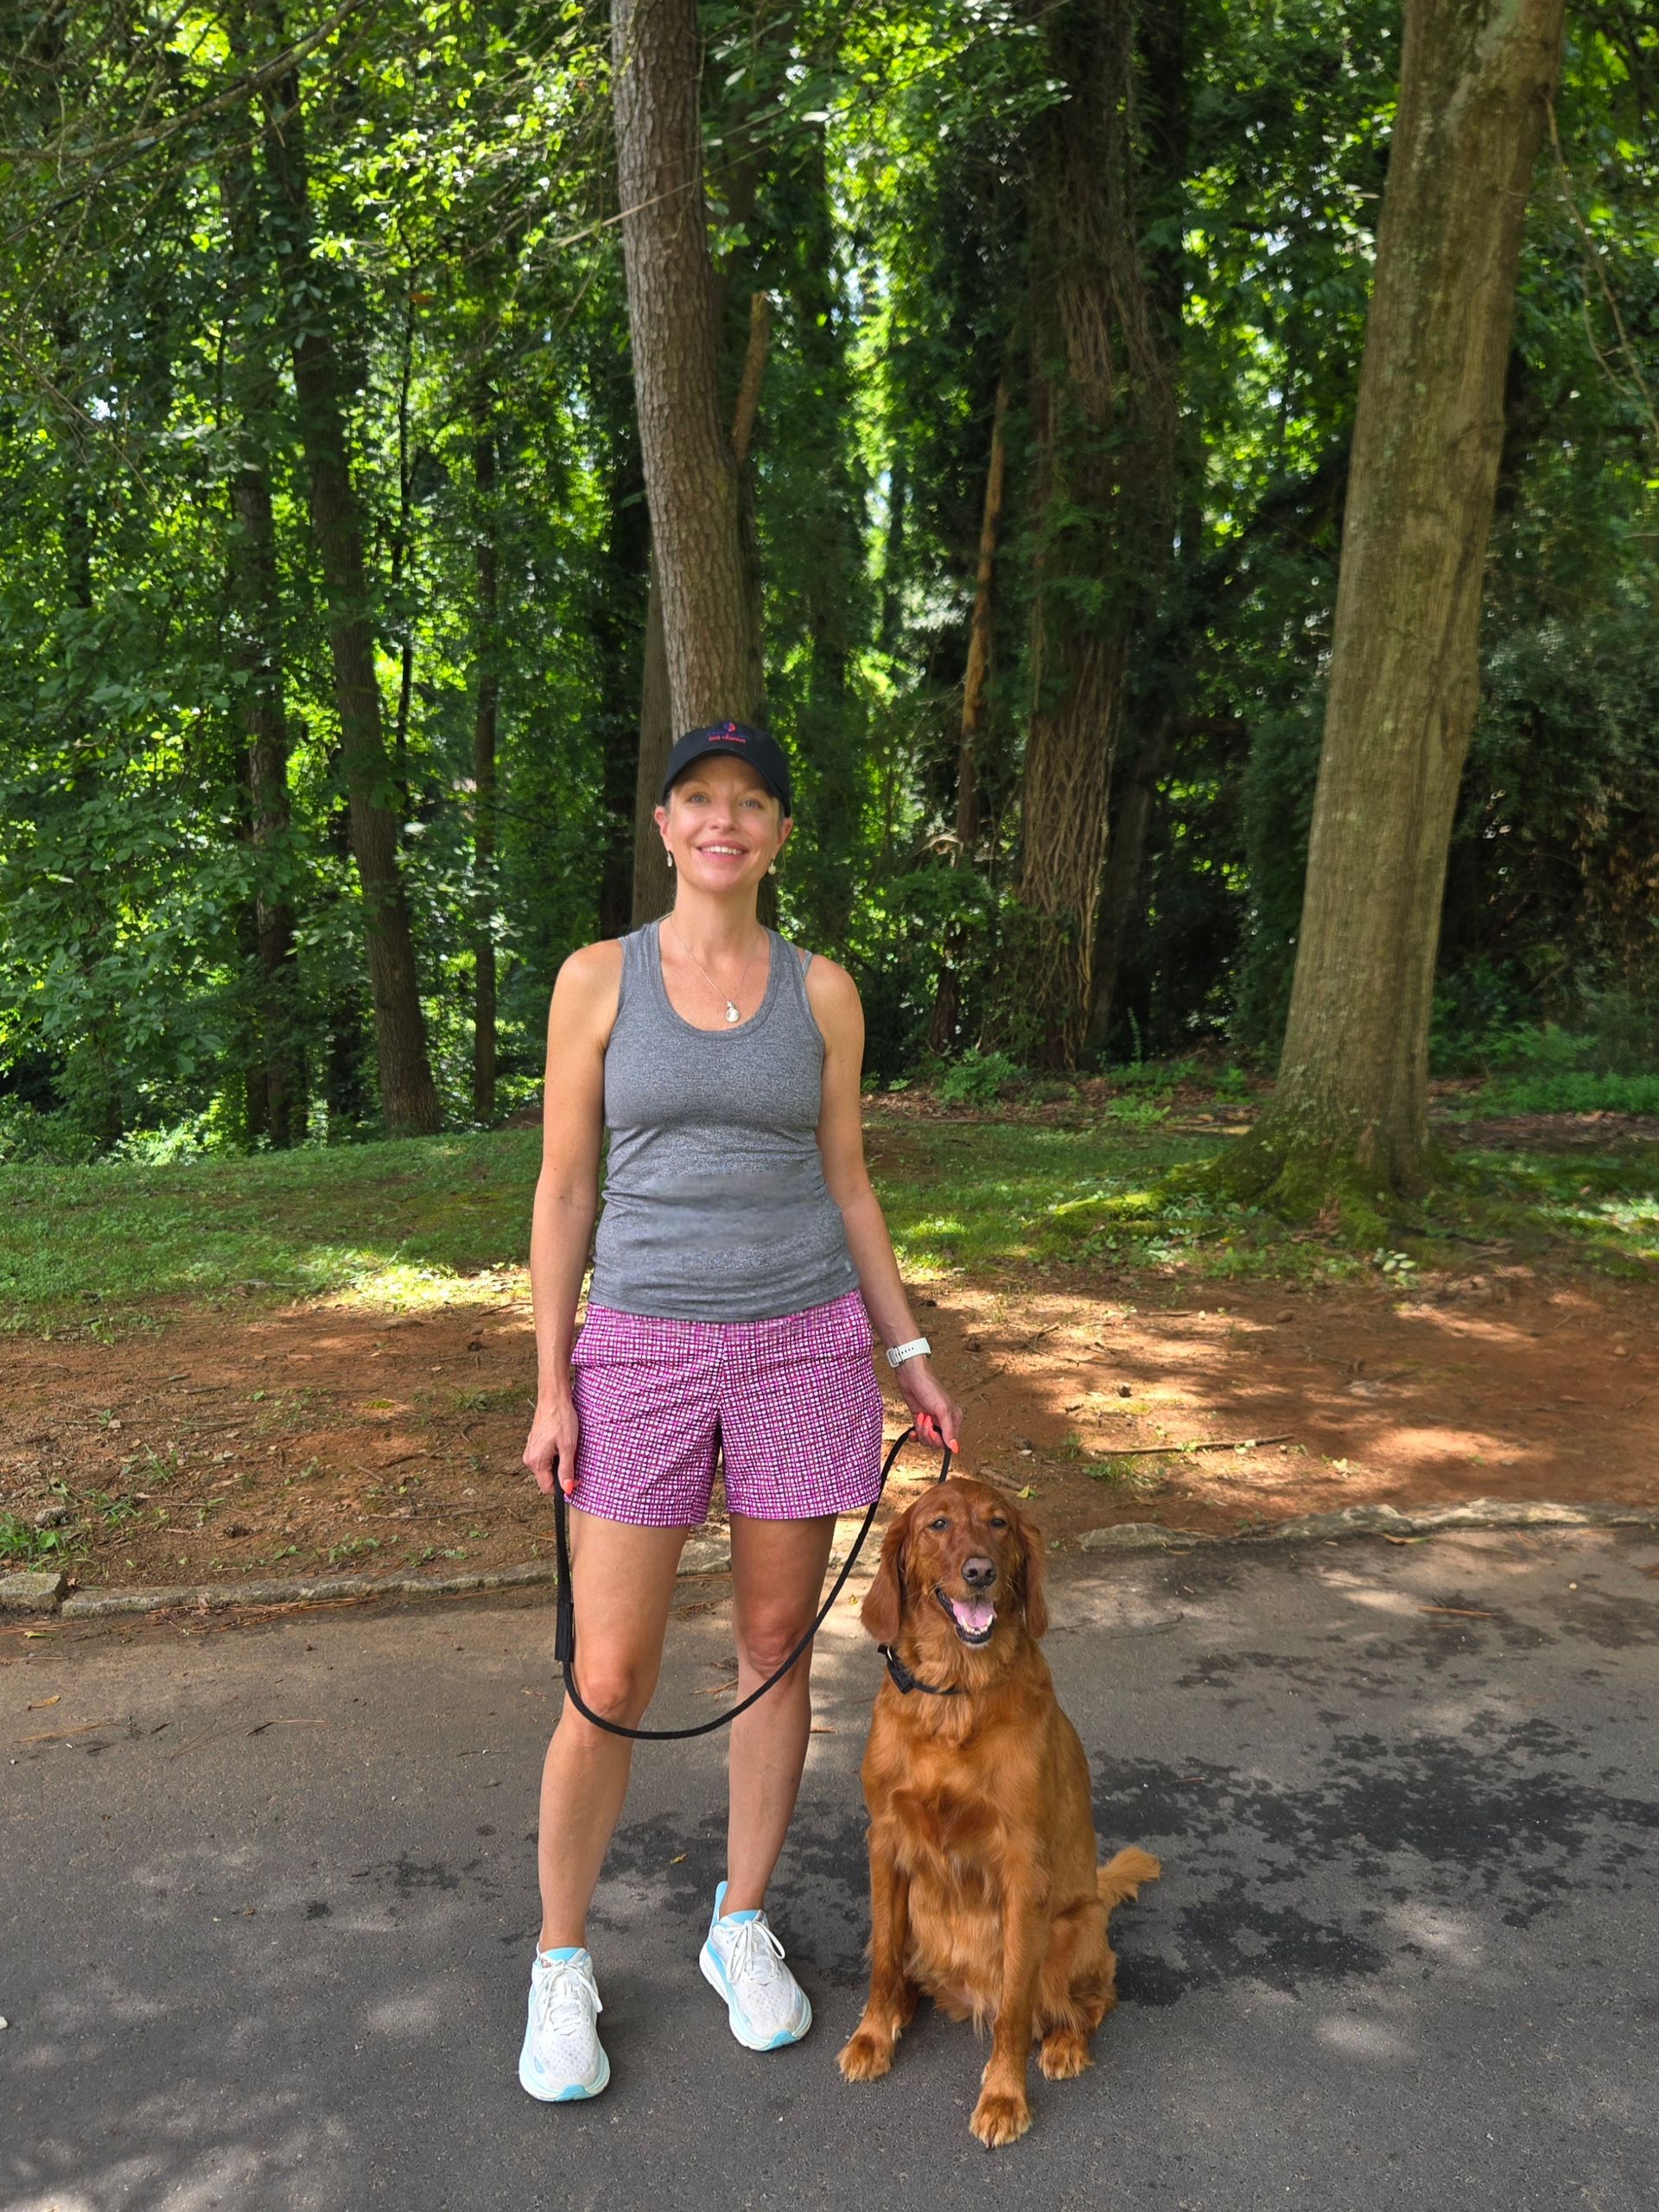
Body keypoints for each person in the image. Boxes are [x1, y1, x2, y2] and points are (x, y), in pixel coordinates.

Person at [517, 720, 964, 2102]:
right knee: (610, 1674)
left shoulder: (824, 993)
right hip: (640, 1352)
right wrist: (550, 1383)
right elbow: (566, 1192)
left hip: (801, 1346)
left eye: (752, 802)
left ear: (777, 833)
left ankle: (741, 1921)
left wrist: (909, 1354)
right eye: (700, 799)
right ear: (664, 826)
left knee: (774, 1644)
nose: (726, 821)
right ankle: (561, 1962)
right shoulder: (597, 981)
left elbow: (850, 1185)